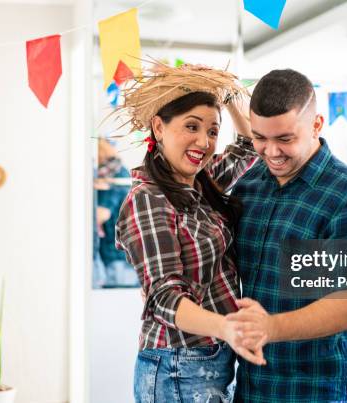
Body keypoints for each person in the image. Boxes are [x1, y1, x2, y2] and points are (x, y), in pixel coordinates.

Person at [227, 69, 347, 403]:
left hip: (322, 387)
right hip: (256, 384)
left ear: (316, 125)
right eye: (260, 138)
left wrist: (270, 328)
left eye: (285, 139)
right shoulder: (249, 187)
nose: (271, 152)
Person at [114, 63, 265, 403]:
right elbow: (165, 298)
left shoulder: (201, 182)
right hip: (177, 364)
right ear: (159, 127)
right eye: (191, 126)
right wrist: (226, 327)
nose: (204, 141)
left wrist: (225, 94)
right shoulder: (147, 199)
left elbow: (248, 146)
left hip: (213, 357)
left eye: (213, 131)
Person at [96, 139, 137, 286]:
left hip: (116, 257)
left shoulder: (115, 174)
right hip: (122, 254)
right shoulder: (119, 171)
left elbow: (101, 214)